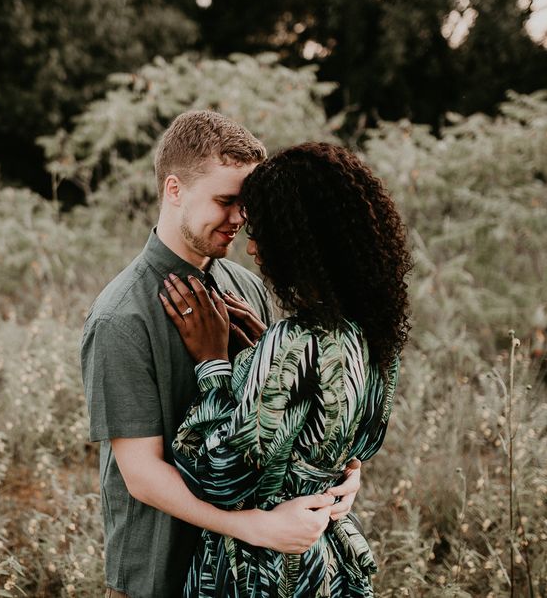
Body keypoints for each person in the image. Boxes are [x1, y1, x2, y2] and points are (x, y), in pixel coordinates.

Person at [81, 112, 364, 597]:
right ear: (174, 190)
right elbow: (142, 476)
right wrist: (252, 525)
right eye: (225, 201)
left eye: (245, 203)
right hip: (160, 573)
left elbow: (277, 423)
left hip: (246, 577)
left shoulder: (248, 287)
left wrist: (343, 475)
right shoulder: (120, 317)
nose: (240, 218)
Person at [160, 142, 411, 597]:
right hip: (325, 564)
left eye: (262, 231)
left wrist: (214, 364)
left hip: (265, 568)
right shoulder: (372, 334)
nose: (252, 247)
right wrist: (261, 360)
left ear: (301, 239)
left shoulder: (294, 342)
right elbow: (359, 446)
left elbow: (217, 476)